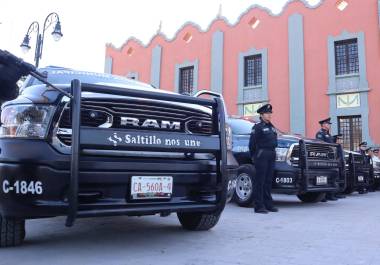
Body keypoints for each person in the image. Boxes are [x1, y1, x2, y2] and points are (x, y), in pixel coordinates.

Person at [249, 103, 278, 214]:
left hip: (271, 154)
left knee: (268, 181)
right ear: (261, 115)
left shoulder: (272, 127)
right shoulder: (257, 127)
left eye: (270, 113)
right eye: (267, 113)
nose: (269, 115)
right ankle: (259, 206)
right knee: (260, 181)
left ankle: (268, 204)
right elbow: (252, 144)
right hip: (262, 155)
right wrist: (254, 157)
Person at [315, 117, 338, 201]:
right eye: (328, 124)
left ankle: (330, 194)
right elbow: (321, 146)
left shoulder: (328, 134)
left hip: (331, 158)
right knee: (324, 176)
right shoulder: (320, 134)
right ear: (323, 125)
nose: (329, 125)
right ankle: (323, 196)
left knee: (331, 175)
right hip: (324, 158)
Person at [332, 134, 346, 199]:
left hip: (341, 165)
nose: (340, 140)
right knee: (336, 179)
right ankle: (334, 194)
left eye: (341, 139)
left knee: (340, 178)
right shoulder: (334, 147)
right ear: (336, 140)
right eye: (339, 139)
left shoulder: (340, 146)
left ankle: (338, 193)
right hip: (337, 165)